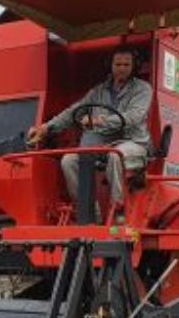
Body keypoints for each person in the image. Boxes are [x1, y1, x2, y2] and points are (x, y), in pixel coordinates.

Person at [26, 47, 153, 221]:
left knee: (116, 156)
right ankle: (90, 213)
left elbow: (134, 116)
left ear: (134, 66)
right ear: (110, 65)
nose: (122, 68)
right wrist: (45, 128)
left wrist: (101, 120)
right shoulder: (98, 92)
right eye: (118, 64)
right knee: (69, 160)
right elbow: (73, 112)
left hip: (134, 143)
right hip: (104, 143)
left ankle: (119, 210)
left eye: (126, 64)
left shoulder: (143, 89)